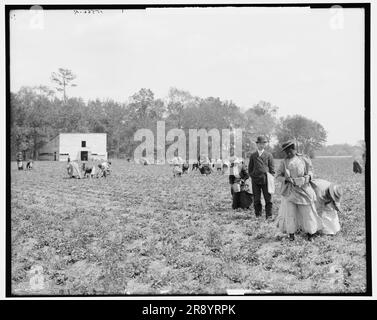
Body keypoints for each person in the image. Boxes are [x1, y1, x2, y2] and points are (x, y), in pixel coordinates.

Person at [275, 140, 322, 241]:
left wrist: (307, 178)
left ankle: (310, 234)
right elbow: (278, 175)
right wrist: (286, 179)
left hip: (304, 190)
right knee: (290, 214)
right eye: (285, 151)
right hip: (290, 191)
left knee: (307, 212)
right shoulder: (284, 162)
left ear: (294, 149)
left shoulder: (304, 159)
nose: (288, 153)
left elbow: (311, 171)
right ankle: (291, 234)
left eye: (289, 150)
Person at [248, 136, 275, 219]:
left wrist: (270, 178)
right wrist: (253, 175)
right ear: (257, 144)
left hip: (265, 179)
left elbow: (272, 169)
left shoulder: (269, 155)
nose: (261, 145)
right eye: (259, 143)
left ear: (265, 145)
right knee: (256, 199)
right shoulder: (253, 155)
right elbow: (250, 168)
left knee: (268, 199)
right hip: (255, 180)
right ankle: (258, 215)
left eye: (263, 143)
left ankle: (269, 215)